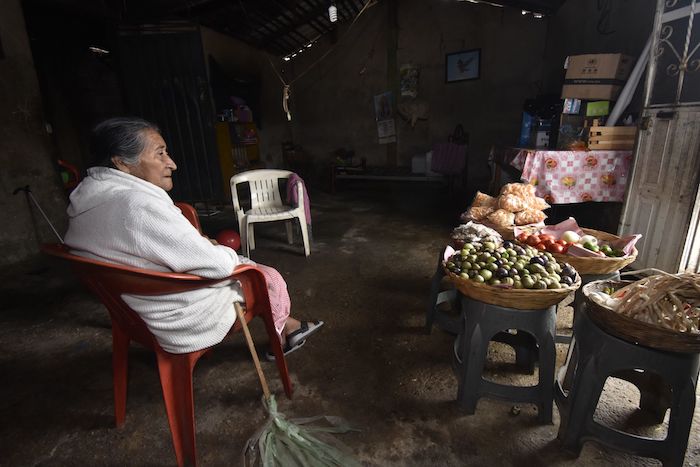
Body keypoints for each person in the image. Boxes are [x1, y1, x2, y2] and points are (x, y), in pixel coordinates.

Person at [64, 117, 323, 358]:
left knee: (244, 268)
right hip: (176, 316)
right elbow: (219, 266)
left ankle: (291, 327)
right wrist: (215, 249)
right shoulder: (138, 204)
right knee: (260, 275)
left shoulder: (85, 198)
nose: (172, 163)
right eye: (160, 153)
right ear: (122, 162)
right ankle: (285, 333)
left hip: (130, 313)